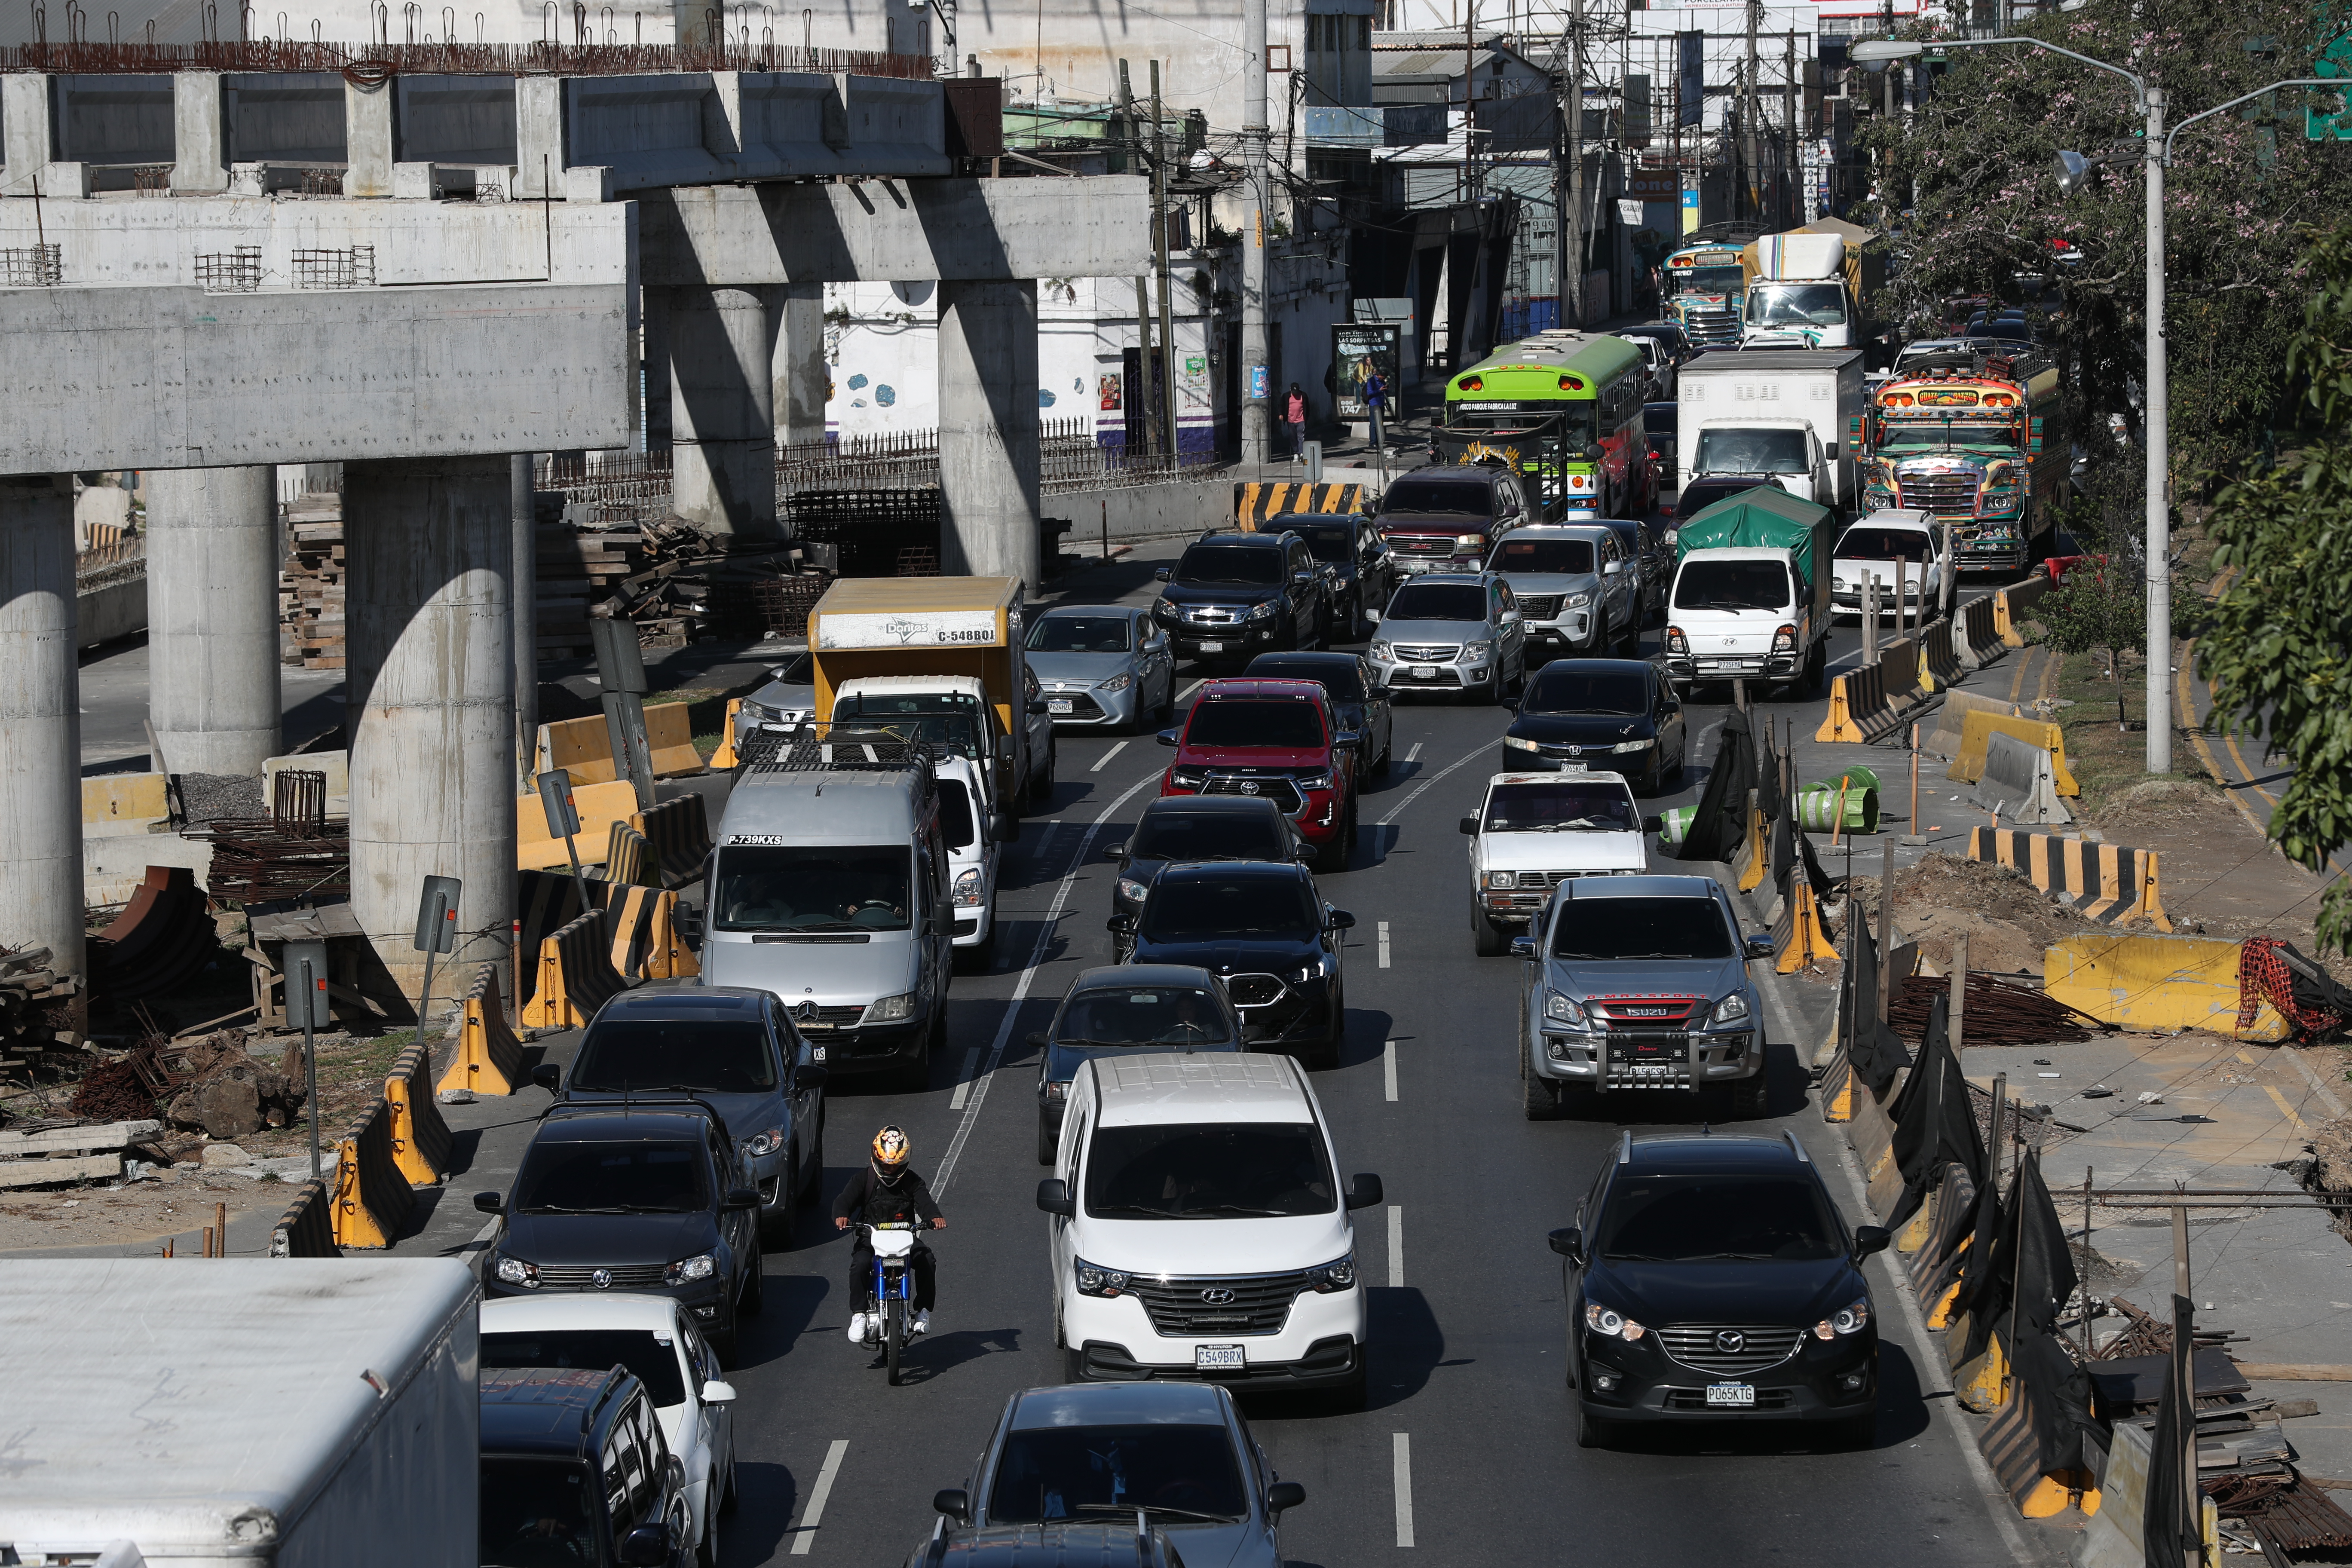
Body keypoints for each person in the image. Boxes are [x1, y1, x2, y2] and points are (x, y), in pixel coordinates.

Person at [834, 1125, 946, 1341]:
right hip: (871, 1238)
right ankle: (859, 1313)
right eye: (886, 1165)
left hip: (905, 1237)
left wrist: (935, 1217)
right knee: (859, 1265)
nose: (889, 1170)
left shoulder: (913, 1181)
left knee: (927, 1261)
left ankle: (923, 1311)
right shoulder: (863, 1180)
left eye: (895, 1167)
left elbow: (925, 1203)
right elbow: (843, 1201)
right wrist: (841, 1215)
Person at [1283, 382, 1308, 461]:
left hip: (1301, 420)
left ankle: (1301, 453)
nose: (1295, 394)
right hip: (1291, 420)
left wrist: (1306, 417)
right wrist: (1281, 414)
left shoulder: (1303, 396)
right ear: (1290, 390)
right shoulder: (1286, 396)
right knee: (1293, 437)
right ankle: (1296, 453)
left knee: (1301, 436)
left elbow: (1307, 407)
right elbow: (1281, 405)